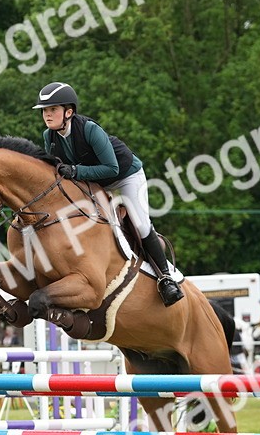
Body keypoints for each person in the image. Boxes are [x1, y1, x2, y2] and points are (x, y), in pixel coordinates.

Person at [33, 81, 184, 306]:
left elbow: (111, 168)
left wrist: (75, 170)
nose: (47, 114)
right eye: (45, 110)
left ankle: (165, 278)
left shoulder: (89, 129)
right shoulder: (50, 136)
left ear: (69, 112)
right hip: (93, 183)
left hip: (125, 176)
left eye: (52, 109)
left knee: (141, 225)